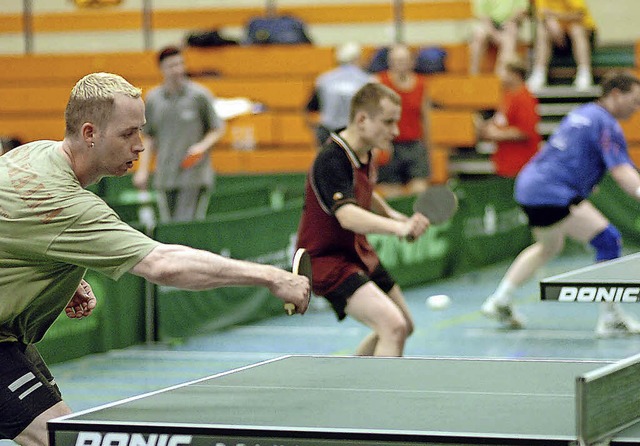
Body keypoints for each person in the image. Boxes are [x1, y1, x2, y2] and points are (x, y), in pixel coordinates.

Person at [0, 72, 310, 446]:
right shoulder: (65, 204)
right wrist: (272, 277)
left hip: (10, 337)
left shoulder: (30, 154)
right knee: (63, 438)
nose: (140, 146)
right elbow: (164, 264)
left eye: (141, 130)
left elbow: (17, 231)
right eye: (127, 134)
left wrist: (55, 269)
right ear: (89, 133)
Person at [480, 70, 640, 337]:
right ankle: (610, 316)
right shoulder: (606, 123)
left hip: (529, 185)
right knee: (608, 240)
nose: (636, 108)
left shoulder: (583, 113)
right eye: (634, 101)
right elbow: (622, 171)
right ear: (615, 95)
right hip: (552, 191)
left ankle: (500, 300)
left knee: (548, 246)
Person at [296, 82, 430, 357]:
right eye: (389, 122)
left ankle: (355, 381)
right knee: (392, 327)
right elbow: (346, 216)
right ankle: (379, 398)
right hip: (325, 260)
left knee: (404, 325)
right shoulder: (331, 159)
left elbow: (364, 189)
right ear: (362, 119)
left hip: (357, 253)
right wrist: (398, 228)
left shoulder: (367, 152)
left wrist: (391, 213)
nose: (395, 131)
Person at [133, 45, 225, 223]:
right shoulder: (153, 99)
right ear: (162, 69)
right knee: (170, 225)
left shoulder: (200, 96)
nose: (177, 70)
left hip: (194, 176)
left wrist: (202, 147)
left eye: (180, 64)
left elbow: (217, 128)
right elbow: (149, 137)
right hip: (165, 176)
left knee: (187, 224)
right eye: (171, 66)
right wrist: (142, 170)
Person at [374, 44, 430, 197]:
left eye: (404, 60)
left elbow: (425, 118)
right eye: (397, 60)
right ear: (390, 62)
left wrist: (428, 146)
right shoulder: (380, 82)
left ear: (412, 62)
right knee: (393, 194)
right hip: (390, 145)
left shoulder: (420, 84)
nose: (401, 64)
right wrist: (380, 143)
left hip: (414, 145)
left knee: (419, 192)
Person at [475, 58, 542, 177]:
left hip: (521, 166)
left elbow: (525, 131)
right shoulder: (507, 95)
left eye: (504, 72)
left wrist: (496, 134)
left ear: (514, 74)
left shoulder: (525, 98)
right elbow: (502, 121)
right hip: (505, 163)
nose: (500, 75)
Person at [305, 41, 372, 149]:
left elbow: (310, 109)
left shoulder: (324, 79)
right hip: (357, 134)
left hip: (329, 133)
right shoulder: (367, 80)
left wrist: (315, 130)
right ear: (357, 58)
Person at [526, 0, 596, 92]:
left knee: (576, 28)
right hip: (557, 39)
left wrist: (555, 16)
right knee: (542, 29)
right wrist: (550, 21)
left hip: (580, 35)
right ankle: (539, 73)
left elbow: (579, 14)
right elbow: (542, 13)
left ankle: (584, 73)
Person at [468, 0, 530, 76]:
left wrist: (510, 21)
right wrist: (494, 34)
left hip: (510, 24)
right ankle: (474, 74)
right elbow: (482, 13)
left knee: (511, 35)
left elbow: (522, 9)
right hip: (487, 25)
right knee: (479, 35)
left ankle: (501, 76)